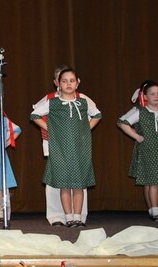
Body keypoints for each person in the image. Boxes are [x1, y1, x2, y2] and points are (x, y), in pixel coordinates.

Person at [31, 68, 102, 227]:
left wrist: (86, 128)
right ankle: (66, 217)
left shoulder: (83, 101)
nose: (68, 84)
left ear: (77, 83)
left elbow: (97, 114)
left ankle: (78, 217)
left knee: (78, 184)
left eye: (72, 80)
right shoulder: (52, 102)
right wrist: (51, 128)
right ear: (58, 83)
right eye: (64, 81)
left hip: (79, 148)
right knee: (63, 183)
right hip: (60, 149)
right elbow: (34, 115)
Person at [117, 80, 158, 221]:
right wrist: (136, 136)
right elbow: (123, 123)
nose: (156, 96)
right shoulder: (141, 111)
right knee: (153, 182)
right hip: (149, 151)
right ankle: (155, 212)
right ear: (146, 96)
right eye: (152, 94)